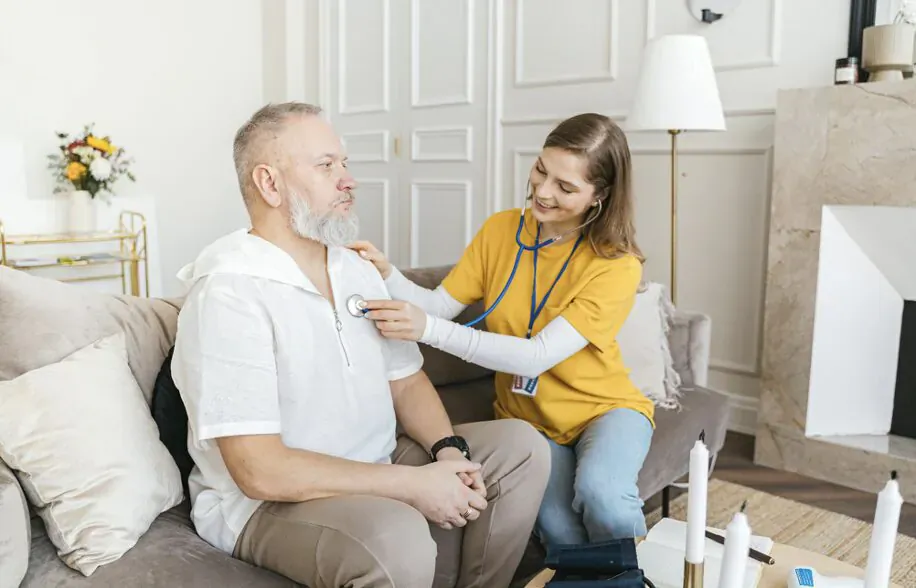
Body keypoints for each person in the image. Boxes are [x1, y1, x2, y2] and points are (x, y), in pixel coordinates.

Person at [169, 101, 551, 588]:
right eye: (326, 166)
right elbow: (259, 471)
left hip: (377, 461)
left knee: (520, 448)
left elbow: (407, 382)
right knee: (395, 535)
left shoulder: (355, 269)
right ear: (270, 184)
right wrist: (413, 485)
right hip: (271, 504)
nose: (348, 179)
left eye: (344, 164)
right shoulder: (229, 291)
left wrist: (448, 452)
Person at [349, 112, 654, 548]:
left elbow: (536, 355)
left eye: (566, 187)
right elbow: (439, 305)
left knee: (603, 497)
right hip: (526, 421)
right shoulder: (501, 230)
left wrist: (428, 330)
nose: (543, 192)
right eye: (541, 171)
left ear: (599, 196)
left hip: (603, 410)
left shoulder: (616, 266)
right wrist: (388, 273)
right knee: (560, 533)